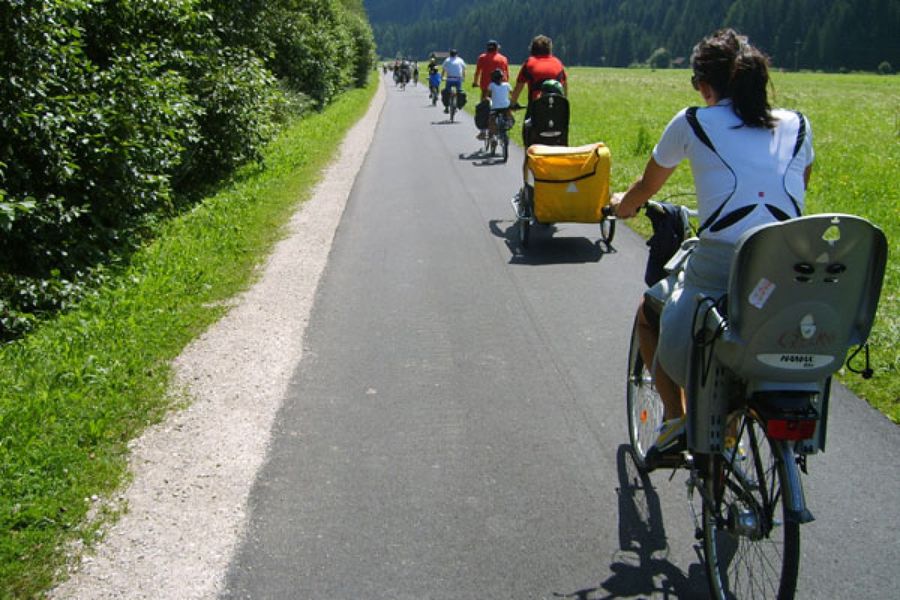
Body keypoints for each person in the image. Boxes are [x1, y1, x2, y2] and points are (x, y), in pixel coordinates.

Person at [610, 29, 814, 457]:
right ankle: (728, 430)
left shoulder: (693, 122)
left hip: (723, 264)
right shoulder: (798, 125)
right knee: (747, 336)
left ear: (704, 83)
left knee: (650, 314)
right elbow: (798, 190)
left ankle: (676, 417)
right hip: (786, 270)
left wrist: (620, 208)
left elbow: (645, 187)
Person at [510, 35, 568, 119]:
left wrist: (512, 103)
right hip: (555, 106)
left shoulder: (529, 63)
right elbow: (565, 85)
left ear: (532, 49)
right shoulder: (558, 62)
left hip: (536, 106)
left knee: (528, 128)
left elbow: (519, 87)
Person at [441, 49, 466, 113]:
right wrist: (463, 78)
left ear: (450, 54)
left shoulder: (447, 60)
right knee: (459, 91)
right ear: (457, 54)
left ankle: (446, 107)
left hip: (449, 79)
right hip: (458, 79)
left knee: (447, 92)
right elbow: (464, 69)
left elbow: (443, 69)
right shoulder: (460, 60)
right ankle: (458, 104)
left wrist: (442, 77)